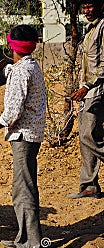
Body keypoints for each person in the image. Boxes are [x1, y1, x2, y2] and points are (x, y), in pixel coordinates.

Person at [0, 25, 46, 248]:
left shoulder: (21, 72)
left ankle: (32, 245)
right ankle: (24, 238)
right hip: (31, 135)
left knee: (23, 190)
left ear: (12, 45)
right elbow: (8, 69)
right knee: (23, 187)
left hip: (23, 136)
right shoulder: (30, 66)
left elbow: (12, 111)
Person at [68, 0, 104, 199]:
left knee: (89, 136)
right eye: (85, 7)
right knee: (85, 136)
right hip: (88, 91)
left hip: (97, 91)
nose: (87, 11)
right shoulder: (90, 28)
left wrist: (87, 86)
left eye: (91, 6)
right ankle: (89, 186)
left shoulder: (103, 27)